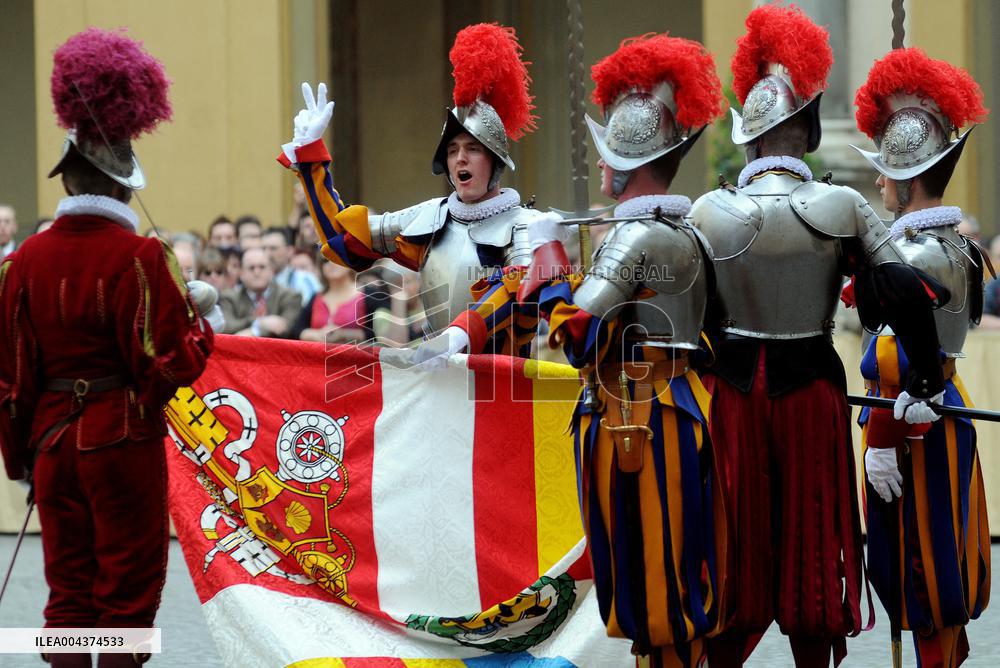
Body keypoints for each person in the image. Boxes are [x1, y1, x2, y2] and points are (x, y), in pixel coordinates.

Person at [687, 6, 948, 666]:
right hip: (811, 395)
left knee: (737, 545)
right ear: (804, 131)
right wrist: (923, 379)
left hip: (735, 398)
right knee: (811, 543)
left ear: (747, 141)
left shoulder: (708, 211)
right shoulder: (844, 205)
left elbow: (684, 319)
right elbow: (906, 298)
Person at [0, 29, 216, 668]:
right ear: (123, 186)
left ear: (67, 179)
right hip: (120, 445)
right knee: (125, 599)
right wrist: (202, 319)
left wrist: (20, 458)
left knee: (67, 594)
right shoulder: (145, 256)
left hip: (49, 445)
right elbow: (174, 365)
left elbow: (10, 378)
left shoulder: (21, 263)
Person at [516, 34, 727, 668]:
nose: (601, 168)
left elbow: (576, 334)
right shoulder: (678, 227)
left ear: (626, 166)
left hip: (642, 419)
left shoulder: (636, 233)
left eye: (607, 155)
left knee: (654, 577)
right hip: (676, 401)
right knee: (666, 573)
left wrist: (547, 255)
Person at [280, 23, 546, 352]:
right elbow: (341, 239)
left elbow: (518, 288)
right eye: (452, 151)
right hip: (439, 376)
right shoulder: (430, 218)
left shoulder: (527, 225)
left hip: (504, 387)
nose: (460, 159)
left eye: (473, 149)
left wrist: (462, 332)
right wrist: (311, 161)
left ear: (495, 161)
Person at [852, 47, 991, 668]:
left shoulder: (913, 253)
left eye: (885, 172)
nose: (879, 182)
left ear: (907, 178)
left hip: (911, 421)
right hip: (941, 408)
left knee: (923, 567)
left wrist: (880, 434)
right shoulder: (953, 245)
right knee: (935, 563)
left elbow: (890, 352)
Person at [219, 246, 301, 337]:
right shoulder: (229, 297)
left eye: (262, 267)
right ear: (241, 273)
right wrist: (259, 322)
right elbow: (226, 327)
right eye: (251, 268)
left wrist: (254, 332)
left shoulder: (291, 296)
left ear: (272, 271)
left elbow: (286, 329)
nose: (257, 272)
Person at [293, 259, 369, 343]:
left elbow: (379, 334)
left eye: (336, 259)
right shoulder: (316, 297)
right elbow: (297, 330)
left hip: (356, 355)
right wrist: (316, 334)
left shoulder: (369, 294)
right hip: (319, 354)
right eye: (325, 260)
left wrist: (345, 334)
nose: (331, 264)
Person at [261, 226, 321, 305]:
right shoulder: (254, 282)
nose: (267, 254)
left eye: (273, 248)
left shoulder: (305, 280)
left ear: (289, 251)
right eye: (263, 248)